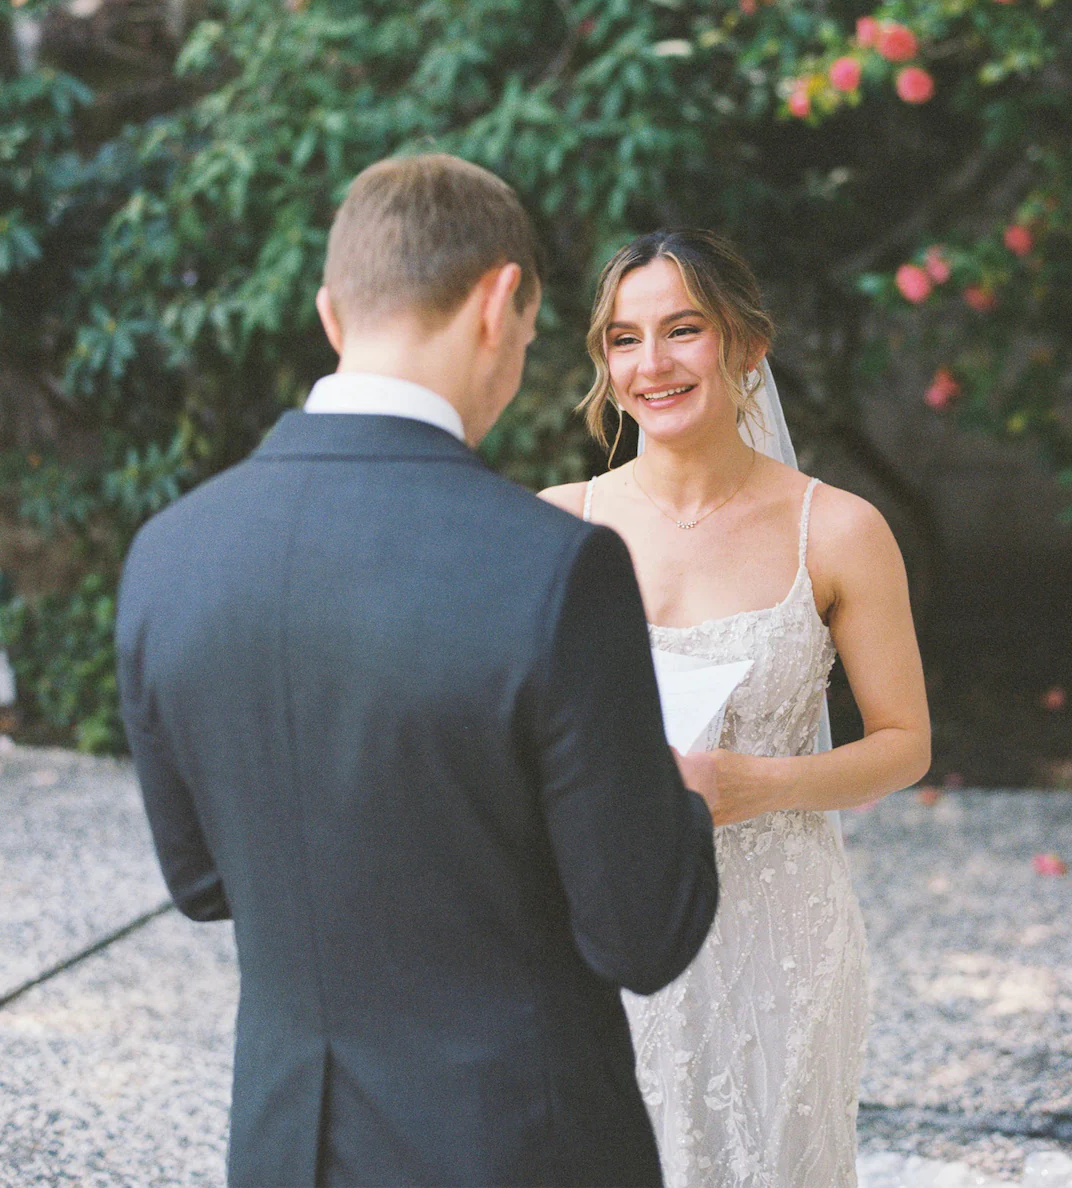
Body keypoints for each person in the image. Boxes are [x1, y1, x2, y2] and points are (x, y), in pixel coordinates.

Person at [116, 157, 719, 1188]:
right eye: (531, 337)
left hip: (285, 1145)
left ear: (329, 312)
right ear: (499, 302)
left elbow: (203, 881)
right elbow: (641, 936)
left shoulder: (169, 552)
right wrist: (679, 795)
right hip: (517, 1148)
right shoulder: (554, 567)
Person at [541, 229, 930, 1188]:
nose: (652, 364)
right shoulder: (554, 525)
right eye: (624, 340)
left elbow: (906, 744)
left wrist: (760, 784)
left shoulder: (837, 529)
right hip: (597, 933)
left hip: (777, 936)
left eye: (683, 331)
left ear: (746, 345)